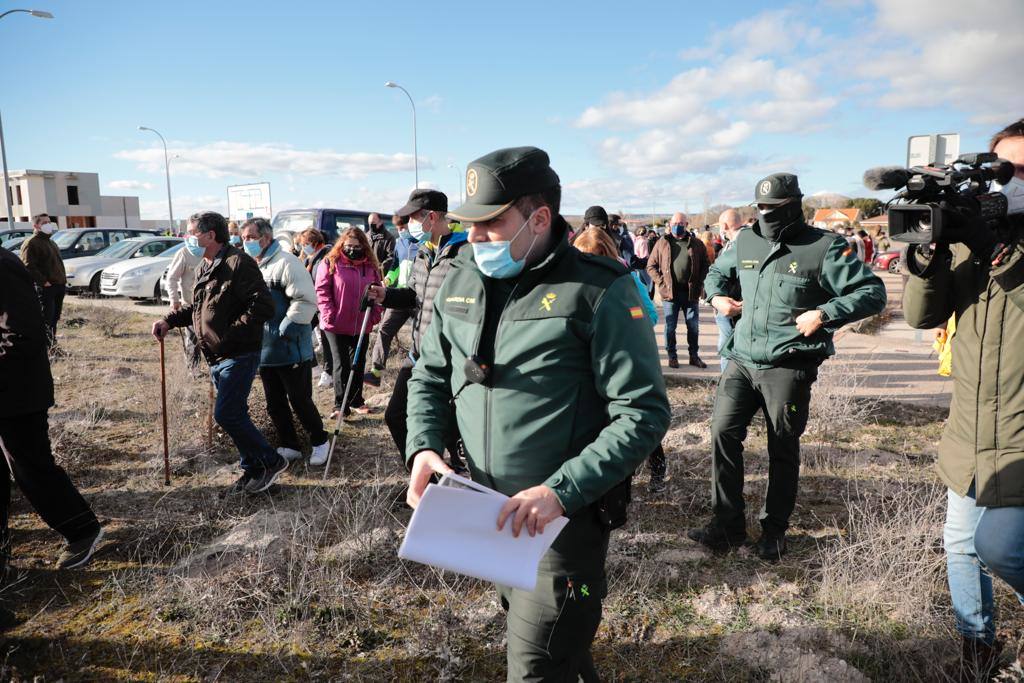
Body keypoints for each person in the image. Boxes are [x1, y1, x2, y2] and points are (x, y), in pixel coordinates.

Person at [405, 146, 670, 680]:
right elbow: (429, 374)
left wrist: (560, 492)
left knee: (534, 664)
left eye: (491, 224)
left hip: (559, 525)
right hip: (488, 512)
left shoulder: (599, 290)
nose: (474, 237)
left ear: (540, 219)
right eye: (469, 224)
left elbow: (642, 412)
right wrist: (424, 445)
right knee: (557, 652)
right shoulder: (460, 277)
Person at [692, 173, 886, 560]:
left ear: (793, 206)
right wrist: (716, 298)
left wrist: (825, 313)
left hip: (788, 364)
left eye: (774, 208)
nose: (766, 214)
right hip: (741, 359)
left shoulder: (824, 247)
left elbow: (872, 292)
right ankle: (727, 525)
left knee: (782, 445)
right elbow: (716, 273)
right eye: (760, 207)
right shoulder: (745, 240)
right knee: (722, 432)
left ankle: (774, 530)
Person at [903, 117, 1024, 678]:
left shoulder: (994, 243)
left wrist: (998, 251)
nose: (1009, 181)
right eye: (1003, 169)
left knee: (1003, 548)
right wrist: (929, 256)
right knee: (960, 543)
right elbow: (920, 315)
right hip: (970, 430)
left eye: (1021, 170)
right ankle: (977, 650)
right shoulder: (971, 238)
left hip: (1019, 432)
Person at [152, 212, 288, 495]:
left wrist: (229, 336)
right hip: (216, 355)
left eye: (192, 233)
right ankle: (253, 469)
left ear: (210, 235)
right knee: (234, 413)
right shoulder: (206, 264)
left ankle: (270, 460)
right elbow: (198, 308)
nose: (187, 238)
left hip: (238, 353)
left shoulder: (238, 263)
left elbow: (263, 306)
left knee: (227, 414)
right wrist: (169, 321)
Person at [0, 247, 104, 573]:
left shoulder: (2, 265)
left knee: (31, 468)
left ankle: (82, 530)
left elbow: (23, 334)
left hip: (17, 392)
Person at [365, 190, 468, 465]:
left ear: (431, 217)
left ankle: (456, 473)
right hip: (419, 353)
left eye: (412, 218)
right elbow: (413, 295)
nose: (408, 224)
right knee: (396, 415)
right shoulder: (424, 251)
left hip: (450, 359)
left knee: (451, 429)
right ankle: (426, 477)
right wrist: (385, 295)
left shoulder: (464, 254)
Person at [573, 226, 666, 493]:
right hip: (590, 363)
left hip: (624, 359)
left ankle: (657, 469)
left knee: (635, 414)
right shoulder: (576, 282)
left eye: (594, 258)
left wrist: (623, 325)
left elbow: (651, 315)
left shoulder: (627, 278)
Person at [240, 218, 330, 467]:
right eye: (244, 238)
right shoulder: (252, 265)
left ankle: (320, 440)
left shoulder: (287, 263)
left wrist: (285, 328)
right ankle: (290, 445)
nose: (245, 242)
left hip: (290, 348)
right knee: (274, 402)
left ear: (265, 238)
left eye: (250, 237)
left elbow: (306, 300)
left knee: (300, 400)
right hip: (264, 349)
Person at [315, 227, 382, 419]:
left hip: (361, 323)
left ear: (363, 246)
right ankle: (340, 405)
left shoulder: (370, 266)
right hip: (335, 324)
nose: (352, 249)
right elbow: (322, 290)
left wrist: (375, 315)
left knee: (358, 363)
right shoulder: (330, 262)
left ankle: (356, 400)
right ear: (342, 244)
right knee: (341, 364)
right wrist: (329, 314)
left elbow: (379, 292)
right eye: (348, 245)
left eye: (356, 246)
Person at [646, 212, 710, 369]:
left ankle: (693, 356)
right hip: (670, 294)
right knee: (670, 327)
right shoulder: (662, 243)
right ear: (669, 224)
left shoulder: (696, 243)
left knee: (693, 326)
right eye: (674, 223)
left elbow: (706, 265)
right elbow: (651, 266)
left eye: (681, 223)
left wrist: (699, 282)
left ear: (686, 225)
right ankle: (672, 356)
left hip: (690, 293)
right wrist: (661, 283)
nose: (677, 226)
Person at [366, 212, 419, 386]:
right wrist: (388, 278)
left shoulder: (424, 243)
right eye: (397, 228)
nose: (400, 230)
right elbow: (395, 265)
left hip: (419, 296)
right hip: (399, 295)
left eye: (403, 227)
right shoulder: (400, 242)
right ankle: (376, 372)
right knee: (385, 330)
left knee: (419, 336)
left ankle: (418, 373)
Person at [166, 215, 206, 371]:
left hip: (209, 305)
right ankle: (193, 370)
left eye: (194, 232)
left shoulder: (211, 251)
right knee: (192, 340)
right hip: (190, 305)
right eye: (189, 232)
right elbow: (171, 278)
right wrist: (174, 300)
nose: (191, 236)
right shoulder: (184, 253)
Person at [19, 213, 65, 346]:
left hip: (59, 285)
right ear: (36, 226)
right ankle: (44, 348)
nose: (48, 225)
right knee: (46, 319)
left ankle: (52, 346)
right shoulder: (31, 243)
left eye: (49, 222)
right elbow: (28, 266)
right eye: (44, 223)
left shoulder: (51, 242)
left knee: (55, 318)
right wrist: (44, 282)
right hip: (46, 288)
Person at [295, 228, 333, 387]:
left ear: (313, 242)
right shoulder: (310, 259)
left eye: (304, 244)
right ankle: (314, 367)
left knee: (327, 340)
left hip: (323, 305)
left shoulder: (327, 256)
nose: (303, 247)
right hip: (311, 304)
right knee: (300, 332)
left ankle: (328, 372)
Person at [714, 209, 745, 373]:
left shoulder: (743, 245)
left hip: (735, 306)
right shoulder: (728, 246)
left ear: (724, 226)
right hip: (726, 306)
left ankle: (727, 383)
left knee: (727, 348)